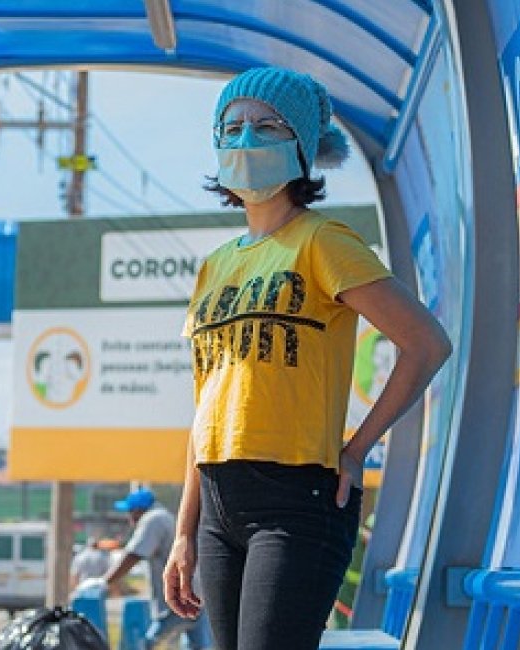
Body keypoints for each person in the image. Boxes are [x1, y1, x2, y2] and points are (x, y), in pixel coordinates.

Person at [164, 66, 452, 650]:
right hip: (218, 503)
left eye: (266, 126)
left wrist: (356, 450)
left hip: (297, 499)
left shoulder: (323, 241)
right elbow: (204, 410)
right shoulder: (214, 266)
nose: (245, 139)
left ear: (301, 147)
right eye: (232, 126)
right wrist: (183, 530)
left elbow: (426, 344)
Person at [105, 488, 211, 650]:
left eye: (130, 512)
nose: (129, 518)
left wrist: (105, 581)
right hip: (194, 592)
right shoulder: (165, 516)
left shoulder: (153, 519)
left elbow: (133, 555)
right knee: (198, 645)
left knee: (150, 642)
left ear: (139, 509)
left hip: (178, 596)